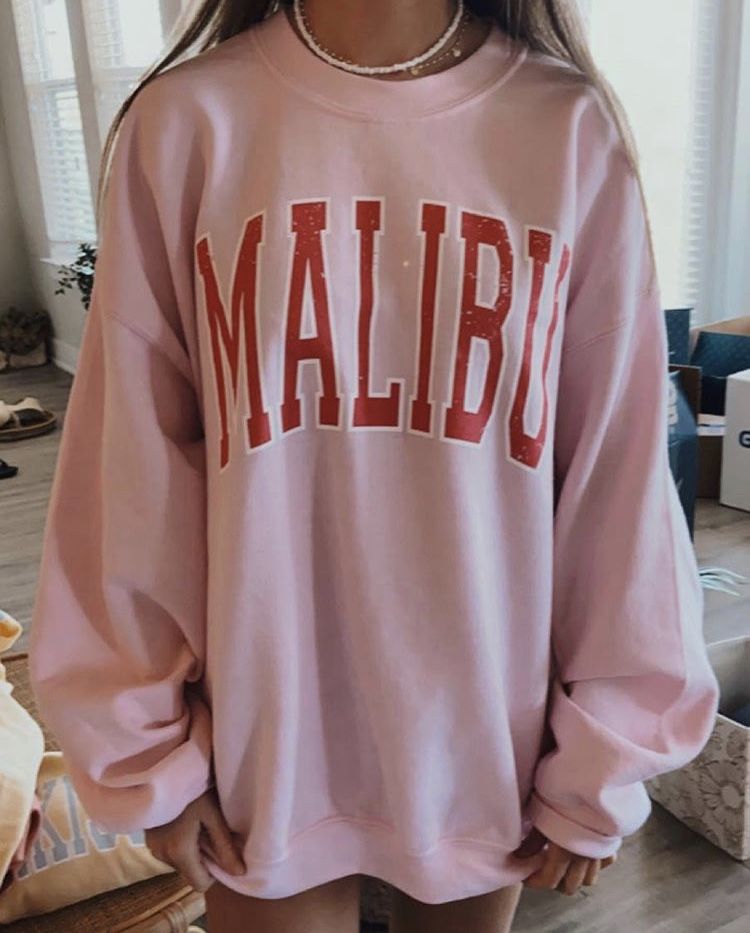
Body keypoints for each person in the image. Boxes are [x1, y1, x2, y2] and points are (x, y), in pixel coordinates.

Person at [28, 0, 721, 930]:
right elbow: (129, 472)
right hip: (262, 745)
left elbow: (618, 472)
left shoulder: (564, 130)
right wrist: (146, 751)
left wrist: (606, 748)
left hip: (487, 743)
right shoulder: (191, 123)